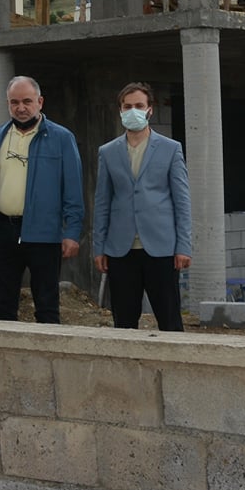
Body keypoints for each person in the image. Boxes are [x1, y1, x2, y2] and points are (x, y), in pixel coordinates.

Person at [0, 76, 84, 323]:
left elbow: (72, 189)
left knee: (47, 304)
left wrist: (71, 231)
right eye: (14, 102)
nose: (21, 107)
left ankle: (48, 358)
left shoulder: (62, 138)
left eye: (27, 101)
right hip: (3, 231)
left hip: (44, 233)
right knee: (2, 304)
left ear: (40, 102)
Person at [92, 81, 192, 331]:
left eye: (139, 105)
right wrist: (99, 247)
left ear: (149, 110)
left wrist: (184, 246)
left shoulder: (171, 149)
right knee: (124, 320)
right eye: (127, 106)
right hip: (120, 249)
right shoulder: (108, 152)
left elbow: (182, 200)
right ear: (120, 110)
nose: (133, 110)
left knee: (169, 318)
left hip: (161, 247)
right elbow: (103, 202)